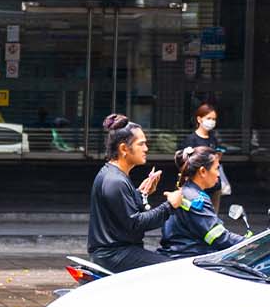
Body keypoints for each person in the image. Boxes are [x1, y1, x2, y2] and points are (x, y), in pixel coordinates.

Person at [88, 114, 182, 274]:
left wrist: (141, 194)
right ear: (124, 148)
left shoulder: (114, 175)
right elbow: (135, 224)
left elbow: (123, 216)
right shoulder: (115, 181)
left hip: (117, 252)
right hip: (115, 254)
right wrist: (170, 206)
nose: (146, 148)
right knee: (175, 270)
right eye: (141, 144)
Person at [159, 146, 244, 258]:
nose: (218, 174)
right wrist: (250, 243)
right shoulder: (196, 199)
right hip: (187, 260)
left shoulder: (185, 191)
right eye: (216, 168)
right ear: (203, 171)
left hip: (176, 257)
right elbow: (218, 237)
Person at [180, 102, 230, 213]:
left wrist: (217, 157)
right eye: (209, 118)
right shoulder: (191, 140)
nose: (211, 122)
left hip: (214, 185)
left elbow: (214, 161)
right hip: (197, 186)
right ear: (199, 119)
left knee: (213, 215)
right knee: (197, 215)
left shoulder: (213, 139)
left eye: (214, 119)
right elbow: (185, 162)